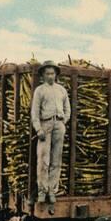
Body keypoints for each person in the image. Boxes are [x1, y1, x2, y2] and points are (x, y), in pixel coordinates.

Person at [30, 60, 70, 208]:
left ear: (56, 75)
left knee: (56, 160)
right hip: (45, 124)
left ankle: (52, 191)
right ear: (43, 75)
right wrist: (38, 128)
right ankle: (42, 191)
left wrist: (63, 122)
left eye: (52, 73)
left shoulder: (61, 90)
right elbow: (34, 112)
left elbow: (68, 108)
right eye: (47, 73)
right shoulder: (39, 90)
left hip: (58, 124)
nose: (50, 76)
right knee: (43, 159)